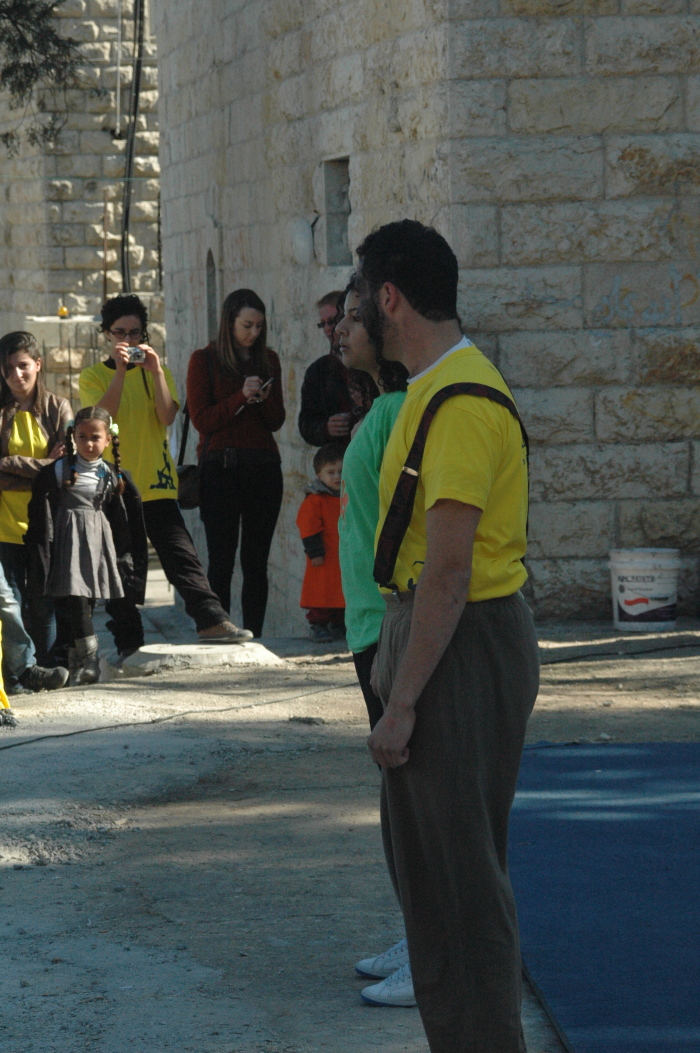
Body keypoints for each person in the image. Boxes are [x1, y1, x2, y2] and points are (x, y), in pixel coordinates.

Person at [357, 219, 538, 1053]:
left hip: (457, 646)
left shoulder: (459, 399)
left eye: (361, 297)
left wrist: (401, 705)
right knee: (430, 877)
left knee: (459, 884)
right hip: (439, 638)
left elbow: (451, 571)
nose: (355, 314)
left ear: (389, 297)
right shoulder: (432, 387)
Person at [79, 294, 251, 660]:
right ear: (107, 334)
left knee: (181, 555)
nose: (128, 340)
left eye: (135, 332)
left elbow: (167, 415)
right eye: (120, 332)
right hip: (114, 485)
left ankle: (210, 619)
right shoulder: (93, 376)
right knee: (122, 564)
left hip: (156, 482)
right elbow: (101, 418)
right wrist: (122, 373)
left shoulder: (160, 372)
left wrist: (156, 372)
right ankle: (129, 640)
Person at [334, 283, 412, 1006]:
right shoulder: (376, 410)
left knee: (416, 791)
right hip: (365, 619)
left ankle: (435, 946)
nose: (340, 327)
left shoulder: (396, 411)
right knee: (397, 793)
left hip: (385, 618)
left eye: (353, 318)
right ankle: (417, 928)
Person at [186, 289, 285, 638]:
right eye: (247, 325)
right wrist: (239, 398)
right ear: (229, 323)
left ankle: (254, 634)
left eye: (259, 326)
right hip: (221, 469)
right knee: (222, 558)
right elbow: (203, 419)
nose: (253, 333)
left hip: (263, 468)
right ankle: (219, 628)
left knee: (256, 561)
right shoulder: (205, 360)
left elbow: (276, 421)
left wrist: (260, 400)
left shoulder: (268, 359)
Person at [25, 406, 148, 685]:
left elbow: (118, 515)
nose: (88, 443)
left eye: (95, 437)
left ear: (108, 440)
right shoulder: (58, 470)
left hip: (96, 543)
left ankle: (76, 661)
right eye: (82, 437)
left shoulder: (110, 474)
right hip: (68, 541)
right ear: (73, 437)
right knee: (75, 599)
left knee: (86, 600)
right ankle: (89, 660)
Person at [0, 330, 72, 685]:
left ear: (38, 365)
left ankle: (41, 671)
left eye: (24, 366)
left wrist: (12, 463)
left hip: (46, 520)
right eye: (9, 368)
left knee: (43, 602)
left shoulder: (58, 408)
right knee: (8, 602)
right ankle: (15, 677)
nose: (17, 375)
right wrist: (42, 465)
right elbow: (51, 467)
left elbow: (67, 468)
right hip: (4, 523)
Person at [295, 443, 345, 642]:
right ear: (319, 474)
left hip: (342, 556)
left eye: (341, 471)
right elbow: (308, 526)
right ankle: (318, 625)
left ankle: (338, 624)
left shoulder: (347, 496)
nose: (336, 476)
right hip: (323, 557)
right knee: (322, 594)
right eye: (330, 472)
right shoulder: (315, 500)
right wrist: (315, 552)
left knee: (341, 592)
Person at [298, 291, 353, 446]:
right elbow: (306, 424)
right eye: (323, 324)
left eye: (332, 321)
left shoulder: (369, 363)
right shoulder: (317, 371)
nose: (328, 329)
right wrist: (325, 428)